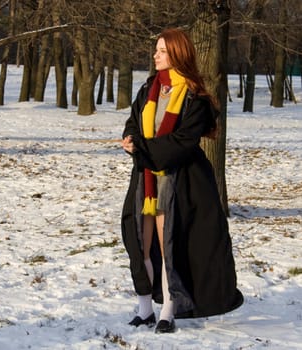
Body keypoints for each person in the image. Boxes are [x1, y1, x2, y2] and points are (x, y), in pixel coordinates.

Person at [120, 28, 243, 334]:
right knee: (140, 245)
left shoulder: (194, 96)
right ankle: (145, 308)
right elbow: (134, 122)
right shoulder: (148, 89)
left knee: (169, 248)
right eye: (156, 50)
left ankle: (168, 311)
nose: (156, 55)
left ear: (177, 53)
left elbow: (183, 141)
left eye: (161, 50)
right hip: (145, 180)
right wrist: (130, 139)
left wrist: (144, 149)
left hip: (178, 182)